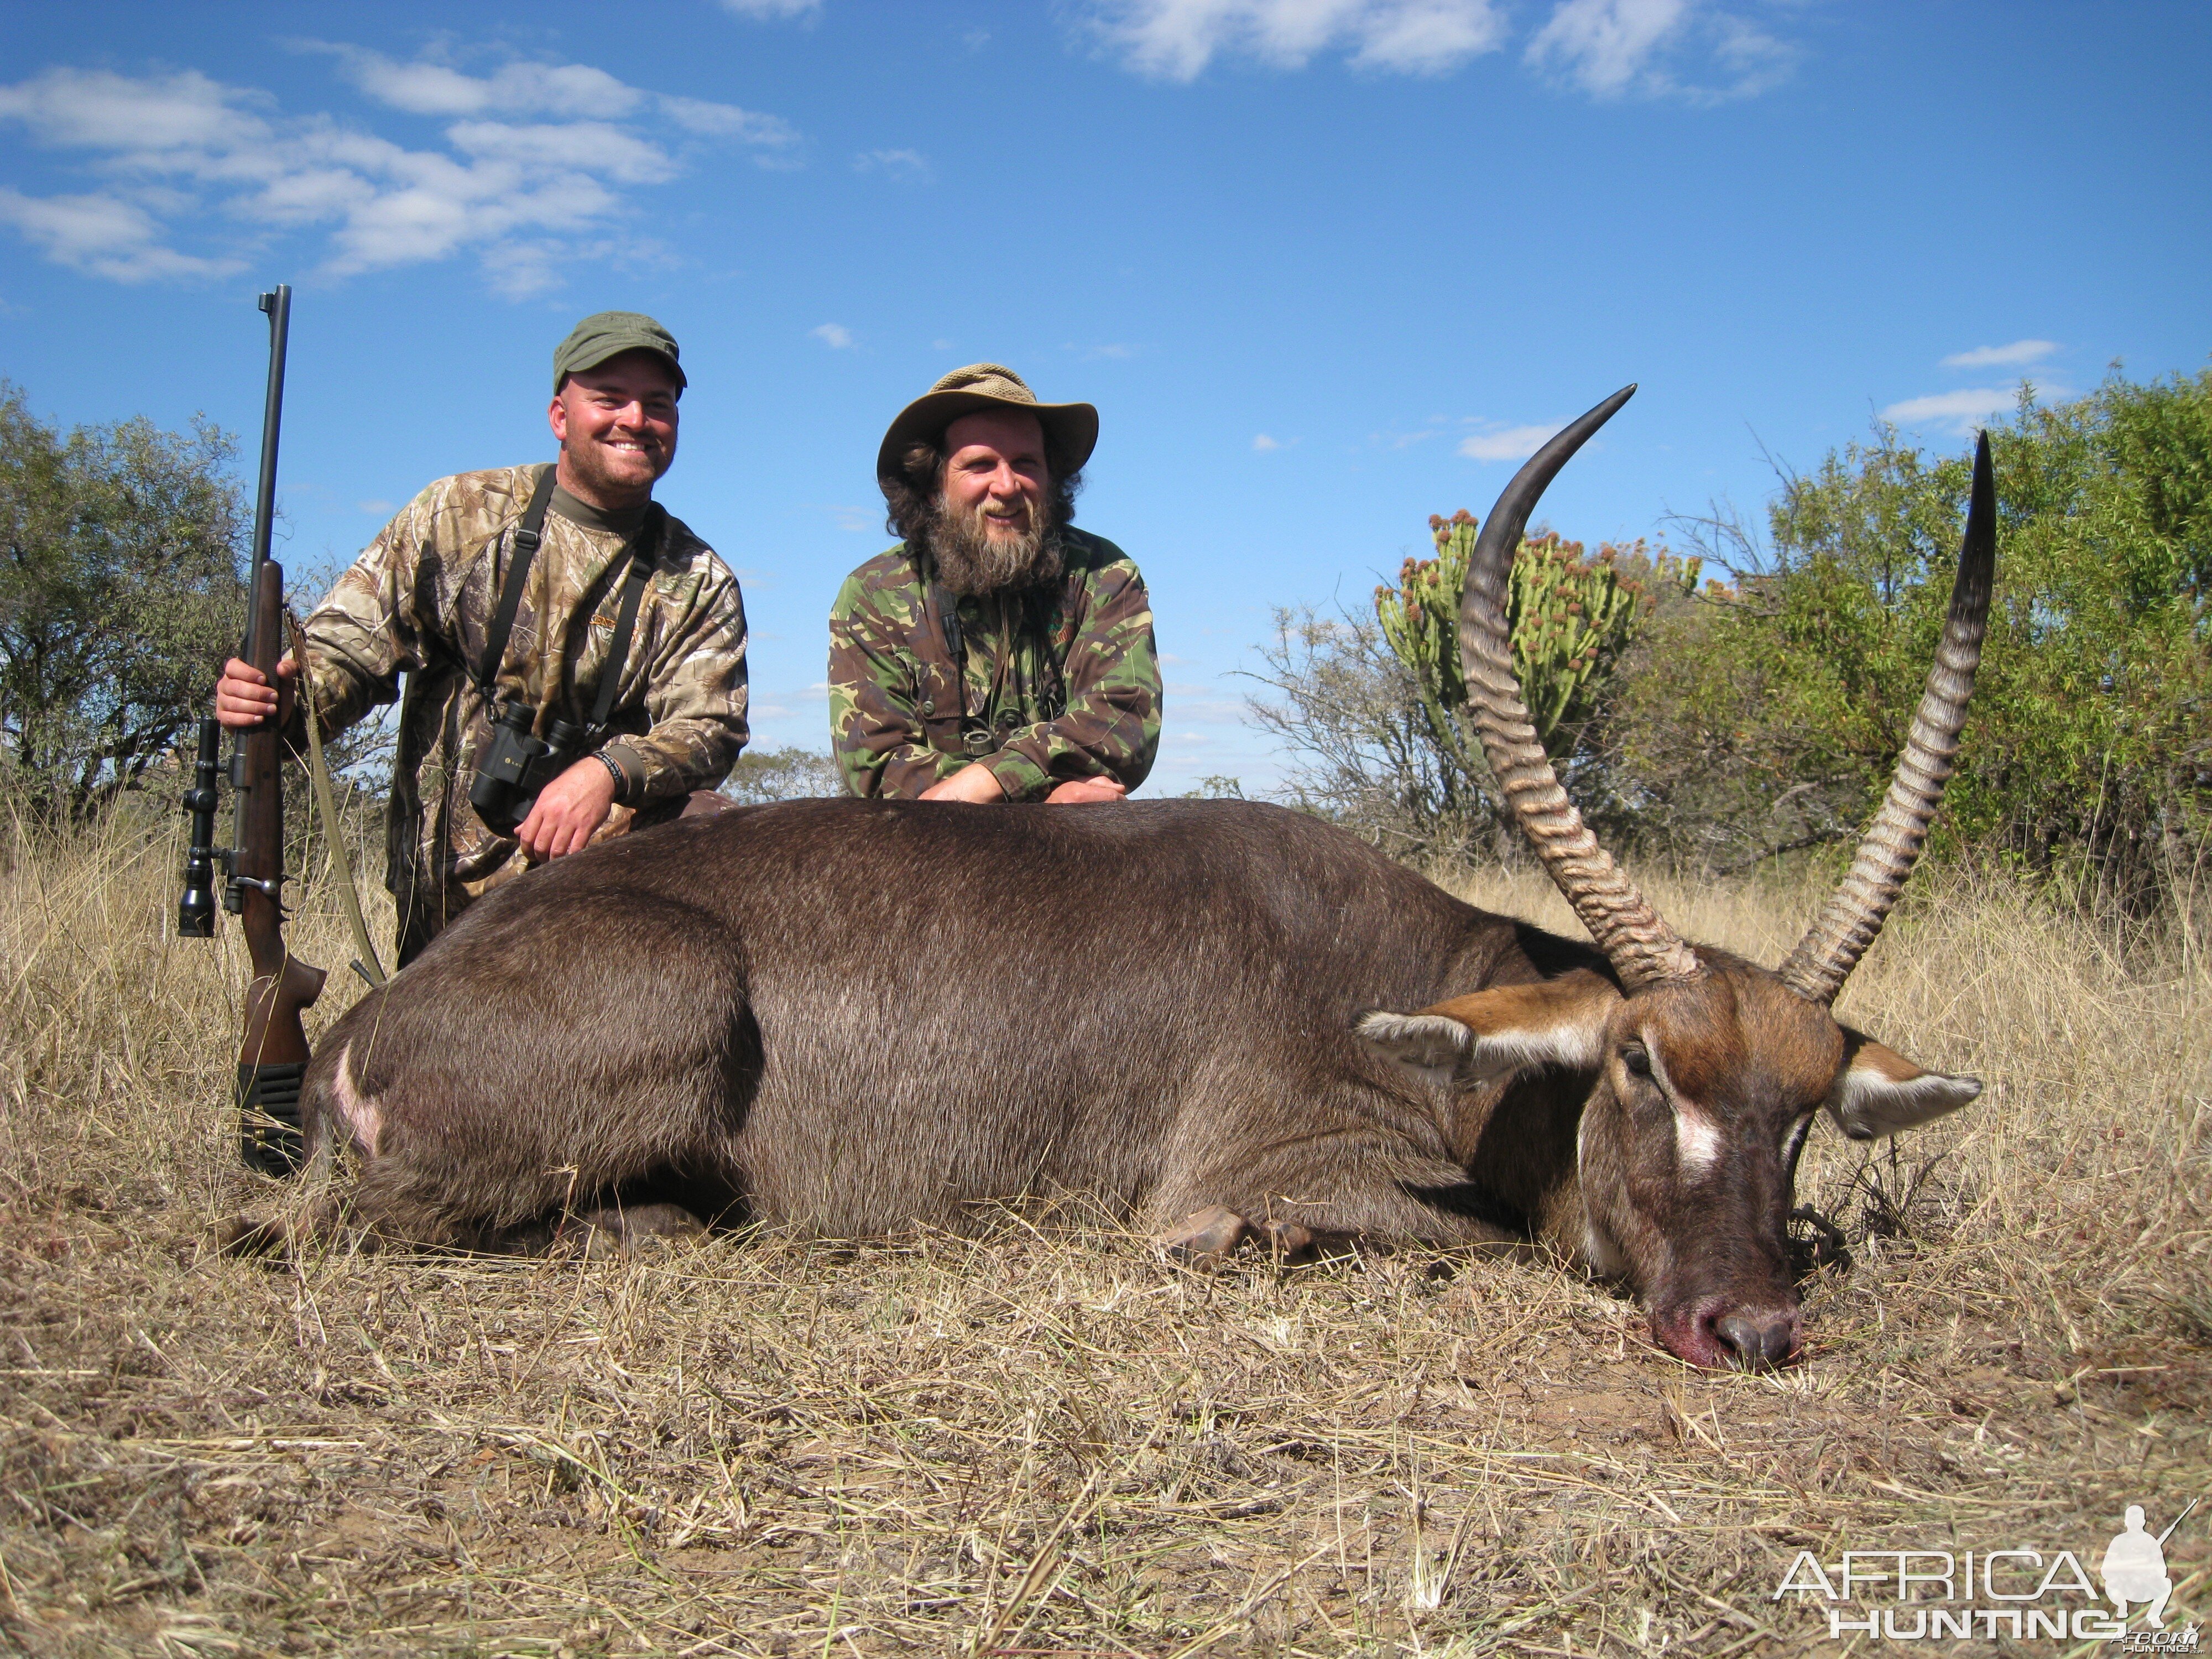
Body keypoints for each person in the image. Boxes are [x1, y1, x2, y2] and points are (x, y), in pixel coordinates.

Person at [214, 311, 749, 965]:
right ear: (560, 416)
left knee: (715, 825)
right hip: (445, 894)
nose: (635, 420)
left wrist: (605, 772)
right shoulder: (456, 513)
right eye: (609, 399)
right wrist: (285, 700)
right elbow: (346, 649)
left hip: (599, 887)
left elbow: (710, 726)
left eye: (657, 405)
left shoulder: (698, 577)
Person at [827, 364, 1160, 802]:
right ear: (931, 487)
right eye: (980, 465)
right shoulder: (872, 594)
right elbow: (877, 766)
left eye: (1026, 463)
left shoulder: (1105, 574)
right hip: (928, 855)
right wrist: (1040, 802)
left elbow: (1124, 717)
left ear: (1052, 478)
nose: (1006, 486)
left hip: (1073, 846)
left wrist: (989, 783)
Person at [2101, 1506, 2174, 1627]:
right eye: (2132, 1521)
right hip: (2125, 1585)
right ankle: (2122, 1608)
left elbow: (2162, 1568)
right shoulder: (2119, 1541)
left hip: (2146, 1585)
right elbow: (2106, 1569)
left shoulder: (2150, 1541)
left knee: (2167, 1584)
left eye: (2138, 1521)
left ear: (2143, 1522)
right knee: (2111, 1584)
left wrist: (2150, 1569)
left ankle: (2154, 1615)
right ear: (2126, 1522)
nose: (2135, 1524)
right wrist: (2126, 1570)